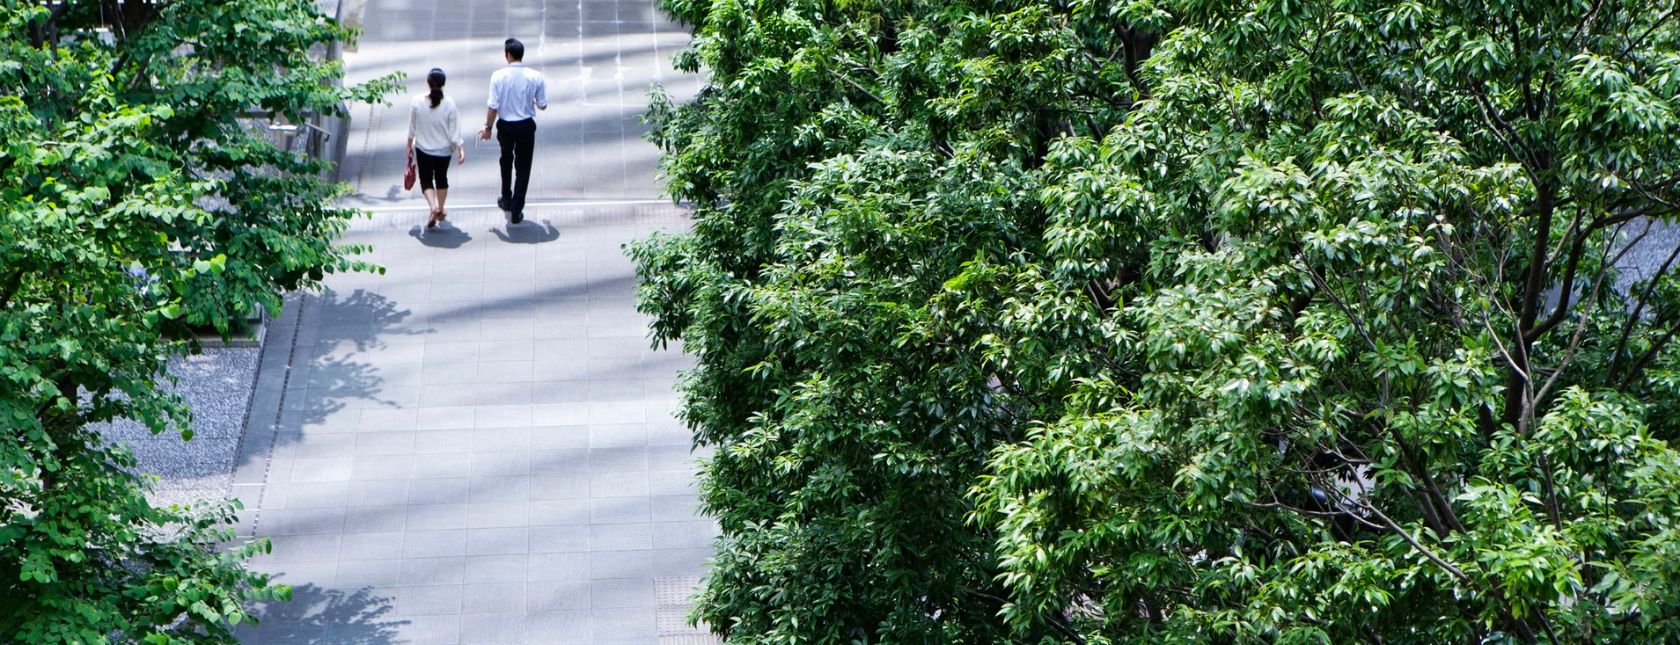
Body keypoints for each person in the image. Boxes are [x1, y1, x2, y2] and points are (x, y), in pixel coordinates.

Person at [479, 37, 548, 224]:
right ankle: (517, 208)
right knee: (523, 168)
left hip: (506, 127)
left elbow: (493, 106)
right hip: (526, 126)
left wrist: (488, 127)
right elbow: (543, 105)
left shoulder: (497, 76)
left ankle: (506, 198)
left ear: (508, 55)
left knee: (506, 161)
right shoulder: (535, 76)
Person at [408, 68, 466, 231]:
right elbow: (454, 131)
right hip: (444, 151)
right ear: (443, 84)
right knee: (441, 178)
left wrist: (409, 144)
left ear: (428, 82)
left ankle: (433, 207)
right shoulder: (449, 103)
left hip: (423, 149)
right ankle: (440, 208)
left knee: (426, 180)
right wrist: (460, 149)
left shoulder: (417, 100)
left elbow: (412, 126)